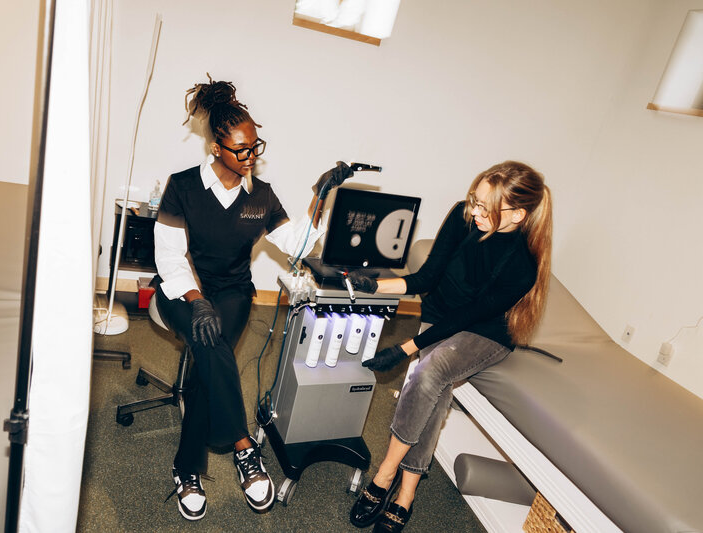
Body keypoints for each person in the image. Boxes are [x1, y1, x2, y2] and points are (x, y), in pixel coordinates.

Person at [154, 75, 353, 521]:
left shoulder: (260, 198)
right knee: (211, 343)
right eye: (241, 150)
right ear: (215, 149)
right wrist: (194, 298)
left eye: (255, 147)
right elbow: (168, 254)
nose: (250, 157)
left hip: (233, 292)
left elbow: (298, 246)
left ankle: (187, 469)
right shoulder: (183, 186)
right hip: (180, 288)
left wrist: (321, 194)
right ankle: (244, 446)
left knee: (210, 354)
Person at [346, 161, 552, 532]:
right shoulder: (463, 216)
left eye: (485, 207)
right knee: (434, 388)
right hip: (440, 315)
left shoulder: (522, 265)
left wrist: (408, 347)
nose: (474, 211)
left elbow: (470, 315)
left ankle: (385, 474)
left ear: (518, 215)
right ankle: (407, 492)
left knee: (429, 369)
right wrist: (375, 286)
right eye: (475, 200)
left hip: (484, 332)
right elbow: (426, 277)